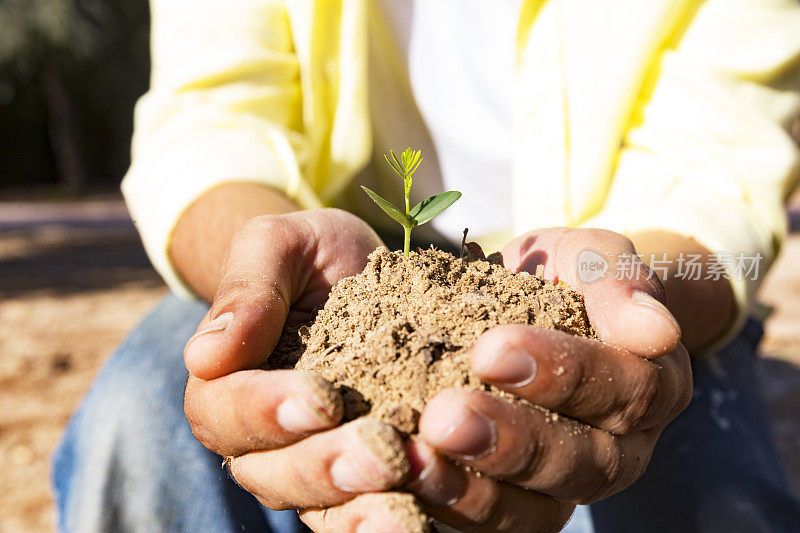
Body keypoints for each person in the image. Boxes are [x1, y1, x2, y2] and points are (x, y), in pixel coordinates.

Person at [53, 1, 800, 531]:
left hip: (608, 255)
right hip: (334, 264)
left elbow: (717, 170)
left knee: (700, 487)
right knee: (143, 412)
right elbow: (211, 117)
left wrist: (620, 298)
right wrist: (271, 265)